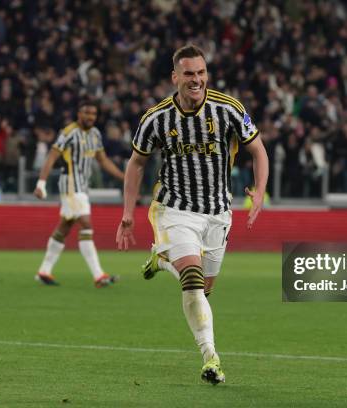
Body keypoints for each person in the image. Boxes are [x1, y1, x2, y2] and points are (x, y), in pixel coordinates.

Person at [115, 45, 269, 385]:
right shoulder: (156, 118)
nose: (196, 80)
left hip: (218, 213)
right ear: (175, 78)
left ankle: (161, 258)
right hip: (174, 210)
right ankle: (210, 358)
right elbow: (136, 163)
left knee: (203, 290)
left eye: (201, 73)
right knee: (193, 280)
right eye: (189, 74)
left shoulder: (229, 109)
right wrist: (128, 212)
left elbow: (258, 150)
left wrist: (259, 192)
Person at [34, 100, 124, 288]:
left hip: (82, 187)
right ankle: (99, 275)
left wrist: (124, 177)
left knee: (64, 228)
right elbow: (52, 155)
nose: (90, 117)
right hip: (69, 185)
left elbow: (103, 160)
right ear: (79, 113)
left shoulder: (95, 134)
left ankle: (44, 271)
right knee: (86, 223)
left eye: (93, 114)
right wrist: (41, 183)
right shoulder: (69, 132)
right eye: (86, 113)